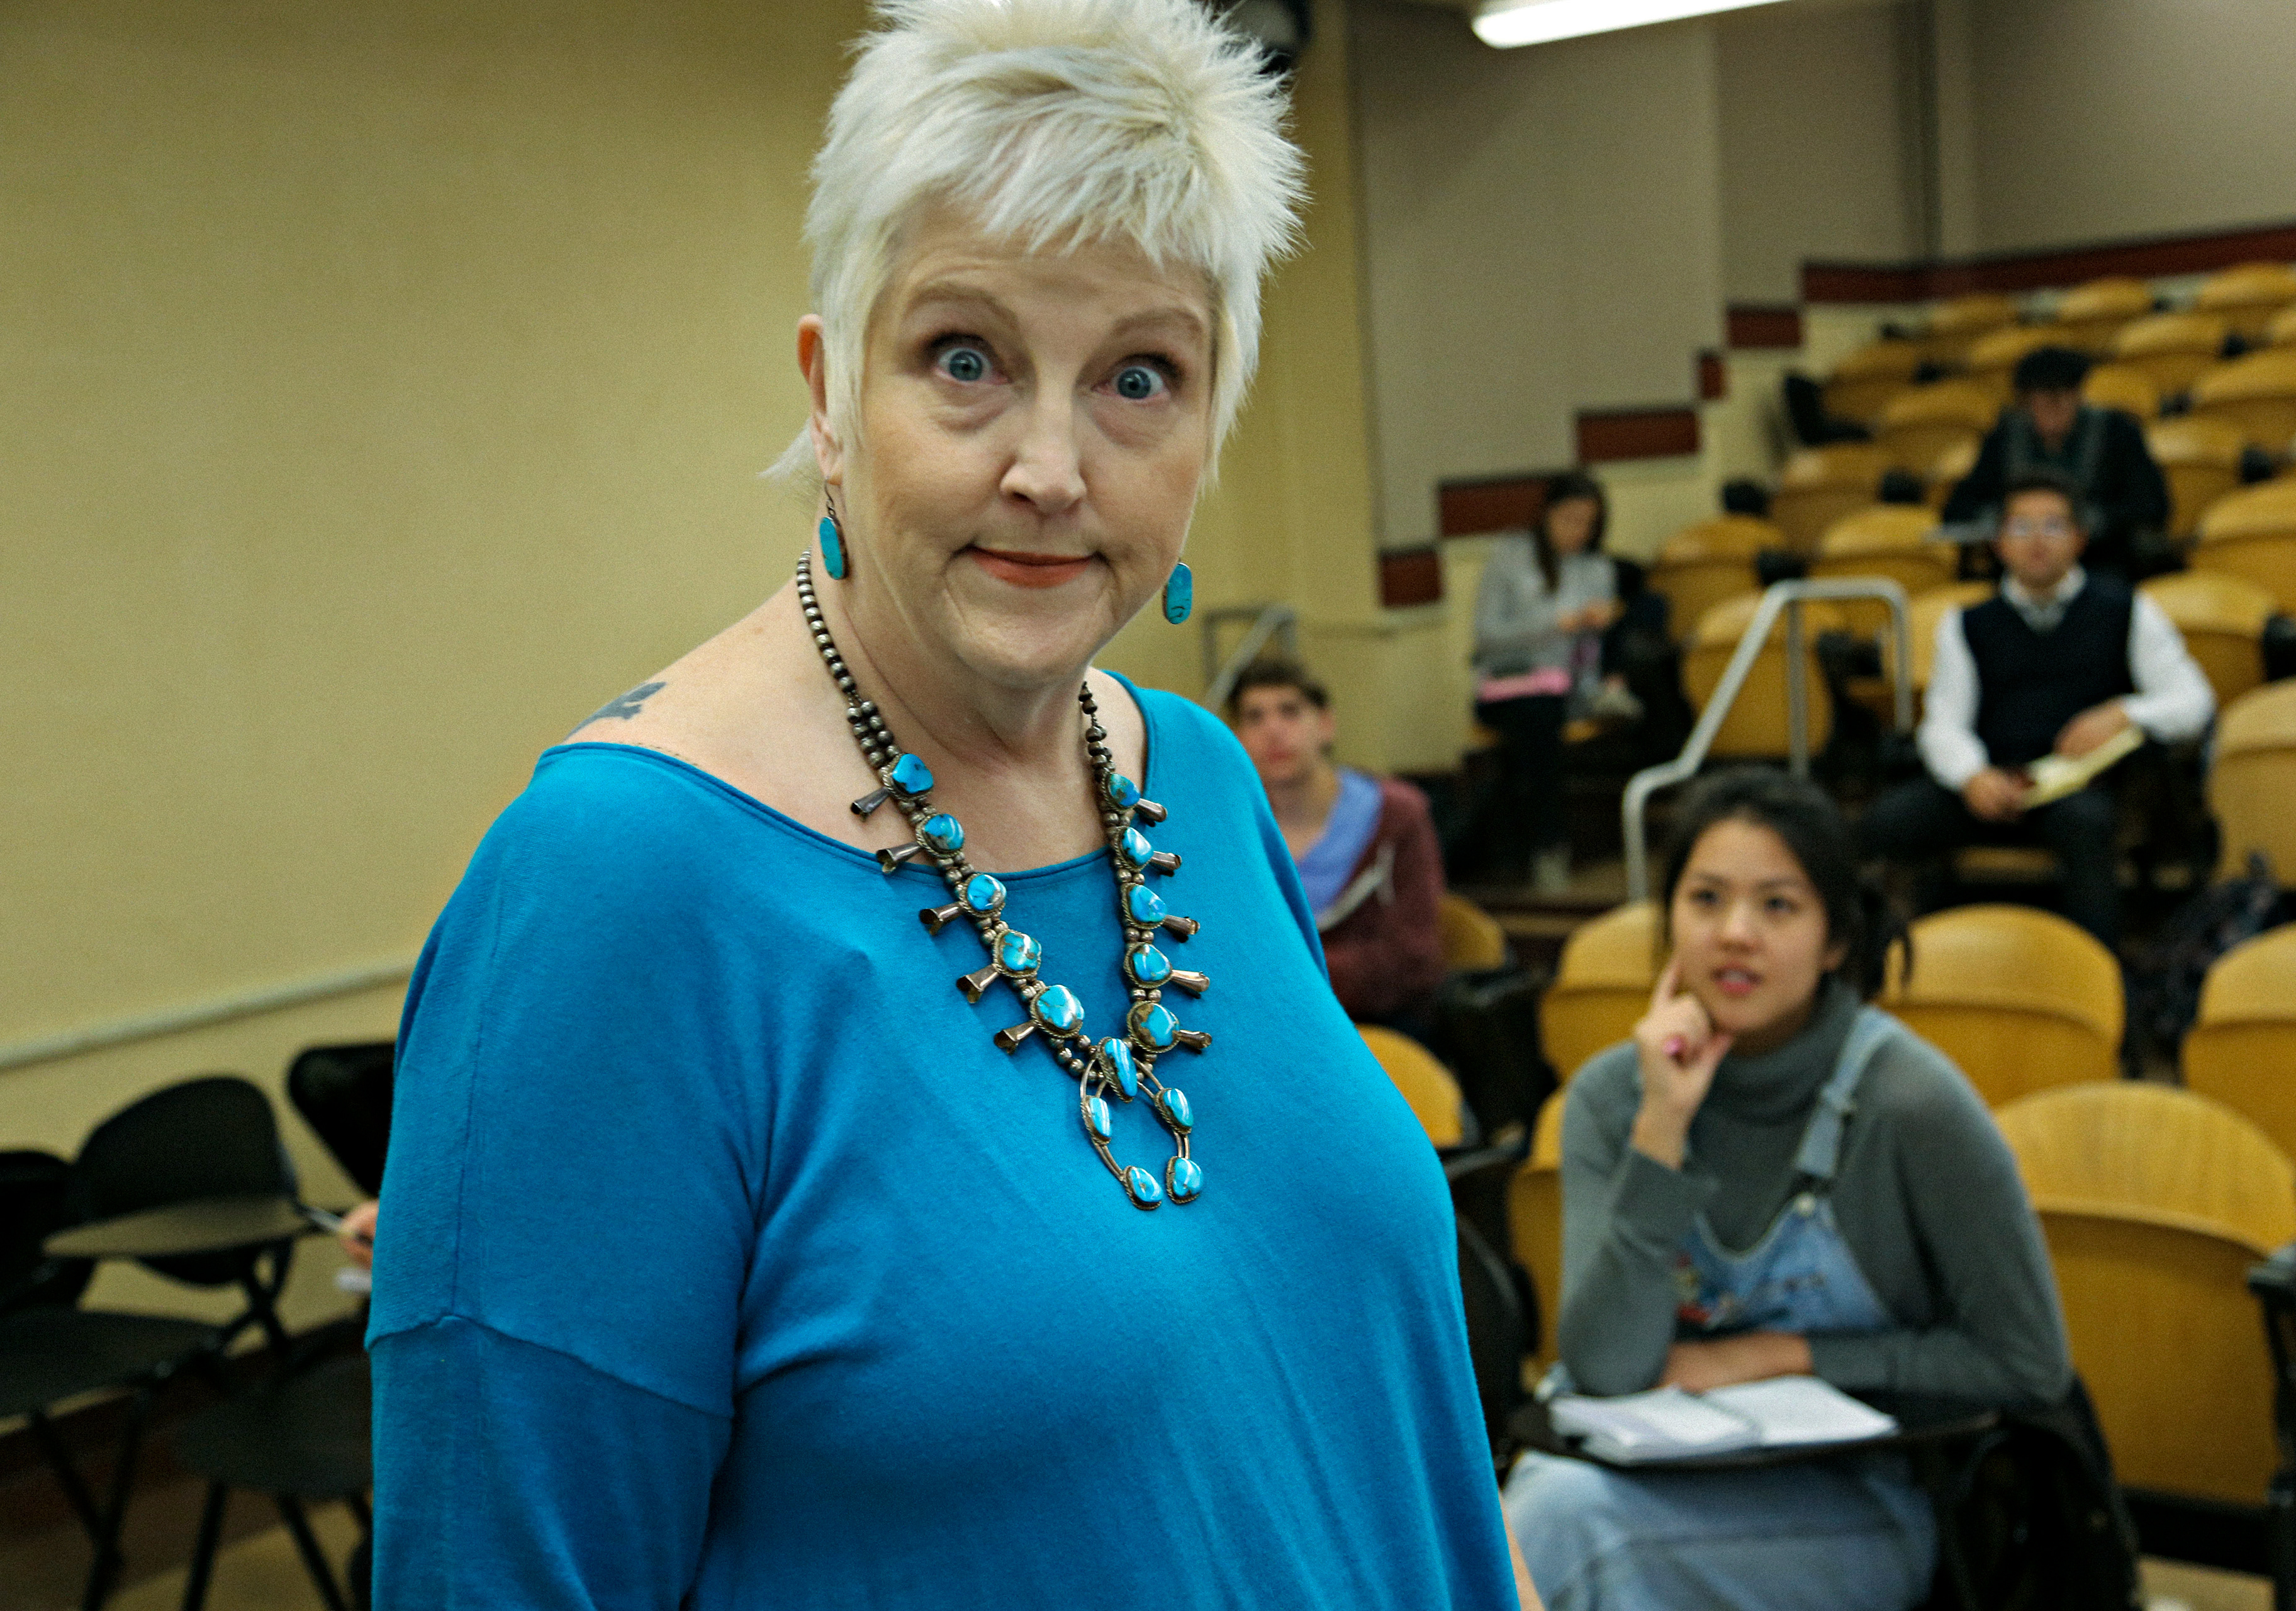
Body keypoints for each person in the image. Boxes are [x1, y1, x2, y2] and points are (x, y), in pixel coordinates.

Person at [364, 4, 1536, 1607]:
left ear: (1210, 429)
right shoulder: (613, 887)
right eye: (964, 359)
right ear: (831, 391)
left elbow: (1381, 1428)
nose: (1051, 467)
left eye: (1139, 376)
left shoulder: (1196, 774)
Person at [1505, 769, 2071, 1610]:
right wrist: (1662, 1130)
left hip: (1864, 1501)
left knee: (1568, 1531)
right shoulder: (1614, 1098)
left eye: (1778, 906)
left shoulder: (1910, 1103)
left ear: (1836, 939)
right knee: (1520, 1515)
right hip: (1651, 1479)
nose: (1736, 934)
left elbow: (2028, 1364)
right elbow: (1607, 1370)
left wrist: (1773, 1355)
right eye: (1706, 900)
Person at [1859, 469, 2215, 950]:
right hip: (1992, 779)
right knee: (1884, 822)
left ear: (2080, 538)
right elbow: (1944, 723)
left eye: (2053, 525)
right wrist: (1971, 776)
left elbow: (2194, 700)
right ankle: (1892, 964)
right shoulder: (1967, 624)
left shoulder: (2127, 609)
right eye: (2022, 527)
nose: (2037, 541)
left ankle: (2100, 973)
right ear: (1999, 543)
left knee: (2085, 824)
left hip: (2077, 786)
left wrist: (2124, 714)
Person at [1227, 656, 1447, 1032]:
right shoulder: (1234, 828)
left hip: (1379, 1028)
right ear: (1237, 738)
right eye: (1255, 717)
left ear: (1325, 724)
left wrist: (1288, 978)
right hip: (1270, 1024)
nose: (1273, 731)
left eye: (1290, 712)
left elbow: (1415, 958)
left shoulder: (1396, 816)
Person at [1473, 471, 1618, 891]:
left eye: (1588, 523)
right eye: (1569, 519)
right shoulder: (1510, 557)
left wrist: (1598, 629)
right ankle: (1548, 846)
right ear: (1547, 514)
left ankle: (1544, 844)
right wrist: (1554, 625)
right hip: (1511, 684)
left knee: (1549, 715)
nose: (1578, 532)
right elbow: (1486, 636)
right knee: (1538, 719)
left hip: (1572, 686)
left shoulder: (1598, 568)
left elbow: (1593, 650)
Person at [1941, 345, 2170, 577]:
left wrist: (2085, 523)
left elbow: (2150, 506)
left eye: (2060, 401)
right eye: (2041, 404)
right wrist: (2009, 522)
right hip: (2020, 569)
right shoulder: (2005, 438)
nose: (2051, 412)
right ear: (2026, 403)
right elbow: (1960, 507)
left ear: (2078, 397)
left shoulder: (2117, 433)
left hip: (2103, 561)